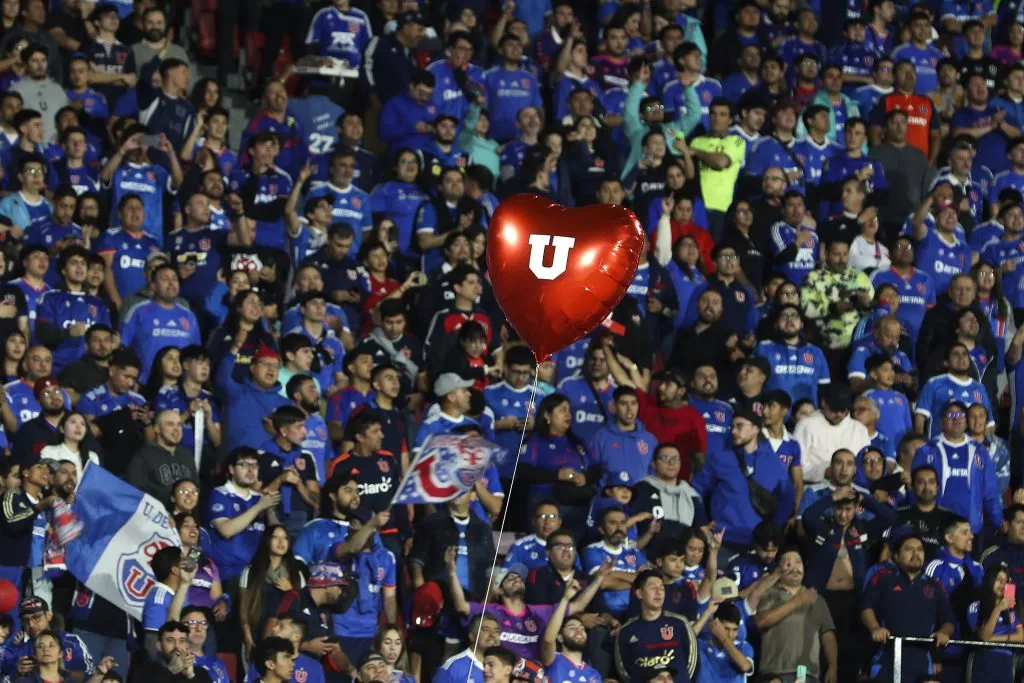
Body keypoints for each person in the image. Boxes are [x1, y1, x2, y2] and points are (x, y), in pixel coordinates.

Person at [860, 534, 955, 683]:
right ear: (896, 556)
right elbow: (866, 607)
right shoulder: (882, 578)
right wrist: (874, 628)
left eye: (919, 550)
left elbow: (948, 620)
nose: (916, 554)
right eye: (909, 549)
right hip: (886, 658)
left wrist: (944, 632)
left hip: (922, 662)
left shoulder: (935, 586)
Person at [614, 570, 699, 683]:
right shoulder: (626, 631)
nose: (659, 592)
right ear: (639, 593)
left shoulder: (680, 623)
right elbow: (623, 670)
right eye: (653, 588)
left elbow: (693, 661)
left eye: (662, 588)